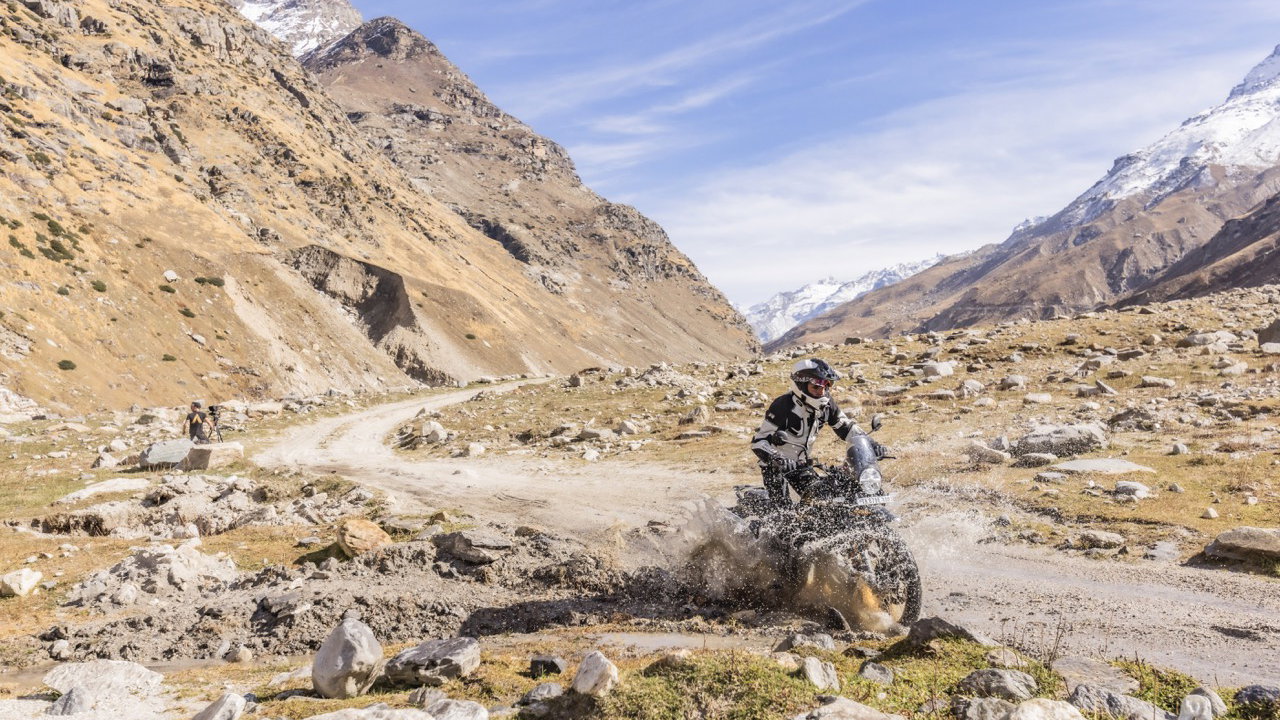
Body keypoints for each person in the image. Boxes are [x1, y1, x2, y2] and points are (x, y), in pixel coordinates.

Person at [750, 358, 882, 506]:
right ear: (800, 384)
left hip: (801, 466)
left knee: (822, 500)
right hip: (776, 467)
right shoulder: (783, 406)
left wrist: (872, 444)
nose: (822, 391)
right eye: (816, 386)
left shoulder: (826, 404)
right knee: (782, 513)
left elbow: (847, 428)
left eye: (826, 386)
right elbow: (758, 442)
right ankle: (761, 526)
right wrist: (777, 458)